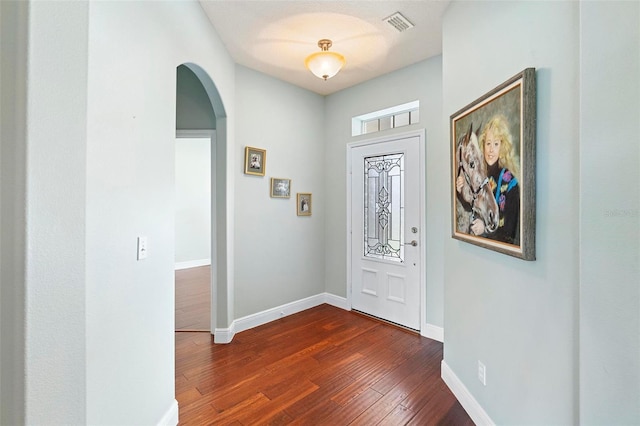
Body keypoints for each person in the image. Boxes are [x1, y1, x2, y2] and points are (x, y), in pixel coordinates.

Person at [457, 115, 520, 244]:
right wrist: (460, 193)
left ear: (502, 147)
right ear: (483, 145)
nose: (491, 150)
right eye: (488, 143)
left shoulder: (511, 183)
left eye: (496, 144)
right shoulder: (481, 175)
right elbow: (472, 208)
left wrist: (484, 229)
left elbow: (510, 232)